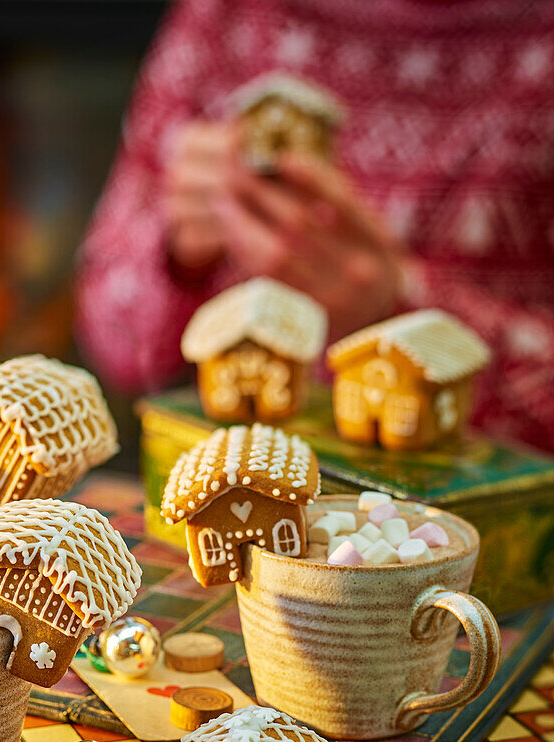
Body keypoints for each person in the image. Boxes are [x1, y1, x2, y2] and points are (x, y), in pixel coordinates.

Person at [75, 0, 554, 453]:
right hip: (243, 458)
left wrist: (403, 305)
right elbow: (112, 342)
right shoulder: (230, 13)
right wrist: (179, 254)